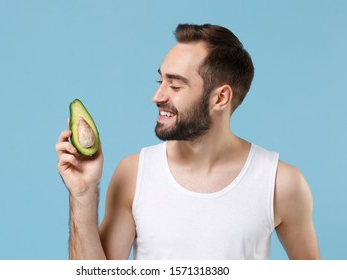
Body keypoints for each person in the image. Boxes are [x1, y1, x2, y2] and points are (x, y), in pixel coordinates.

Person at [55, 24, 320, 260]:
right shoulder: (133, 173)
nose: (157, 96)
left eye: (175, 85)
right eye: (161, 80)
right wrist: (83, 195)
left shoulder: (281, 183)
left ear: (220, 98)